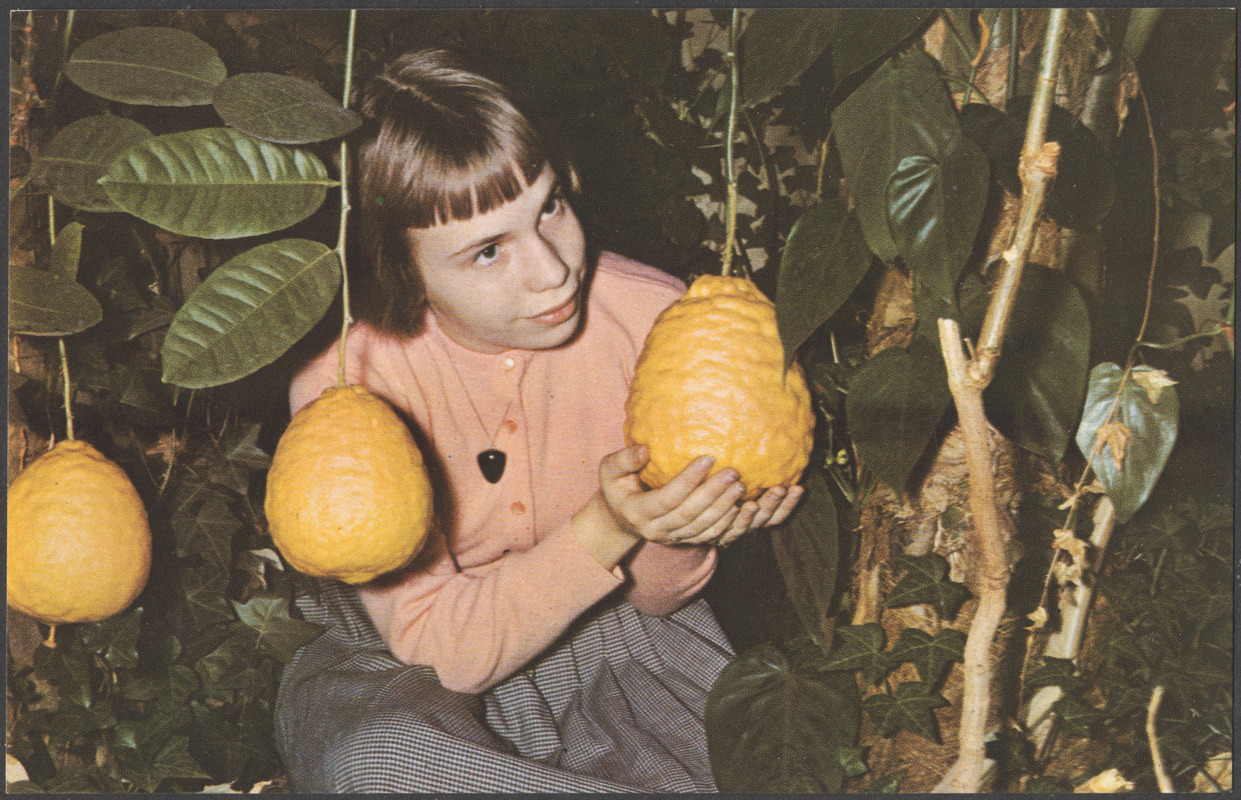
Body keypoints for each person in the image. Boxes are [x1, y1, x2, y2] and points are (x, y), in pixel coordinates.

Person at [273, 48, 804, 793]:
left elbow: (655, 596)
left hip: (622, 628)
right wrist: (607, 524)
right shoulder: (347, 386)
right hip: (412, 651)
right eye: (488, 251)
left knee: (714, 765)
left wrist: (677, 527)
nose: (553, 270)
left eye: (549, 206)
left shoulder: (659, 318)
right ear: (398, 268)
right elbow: (440, 647)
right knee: (380, 762)